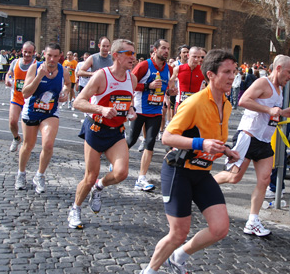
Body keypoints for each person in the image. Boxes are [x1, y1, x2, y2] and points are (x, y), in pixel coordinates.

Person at [135, 49, 240, 274]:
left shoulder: (225, 104)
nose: (232, 77)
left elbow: (211, 138)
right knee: (178, 232)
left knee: (220, 229)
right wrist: (201, 144)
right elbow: (167, 137)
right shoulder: (194, 102)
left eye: (234, 72)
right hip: (178, 172)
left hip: (202, 173)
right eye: (227, 72)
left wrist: (226, 150)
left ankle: (179, 257)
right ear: (211, 75)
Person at [214, 55, 290, 237]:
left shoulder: (279, 88)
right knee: (234, 177)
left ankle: (252, 221)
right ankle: (201, 185)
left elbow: (271, 112)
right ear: (278, 68)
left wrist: (284, 112)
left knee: (265, 180)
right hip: (248, 136)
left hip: (265, 140)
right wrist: (269, 110)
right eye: (289, 72)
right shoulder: (263, 82)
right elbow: (244, 100)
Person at [68, 39, 138, 229]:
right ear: (116, 55)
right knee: (90, 176)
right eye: (129, 53)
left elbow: (126, 101)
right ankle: (75, 208)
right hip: (96, 130)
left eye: (134, 53)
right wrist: (101, 109)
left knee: (122, 173)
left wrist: (131, 111)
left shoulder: (132, 79)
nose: (134, 57)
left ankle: (99, 187)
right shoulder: (101, 76)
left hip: (116, 132)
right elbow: (78, 102)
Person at [15, 42, 70, 193]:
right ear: (44, 54)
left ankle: (40, 175)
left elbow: (68, 84)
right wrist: (39, 76)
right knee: (28, 145)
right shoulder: (35, 67)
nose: (52, 59)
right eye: (49, 55)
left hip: (50, 112)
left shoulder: (63, 70)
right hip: (32, 110)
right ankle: (21, 173)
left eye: (55, 56)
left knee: (48, 144)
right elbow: (25, 93)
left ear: (60, 57)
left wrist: (65, 92)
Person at [127, 39, 175, 191]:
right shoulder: (144, 65)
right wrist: (148, 85)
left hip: (155, 111)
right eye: (163, 48)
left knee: (150, 143)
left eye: (168, 48)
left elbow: (165, 88)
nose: (166, 51)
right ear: (155, 49)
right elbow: (130, 83)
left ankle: (141, 178)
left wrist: (169, 92)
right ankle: (115, 160)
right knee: (131, 139)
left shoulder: (170, 69)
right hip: (140, 109)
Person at [5, 41, 36, 153]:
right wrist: (7, 79)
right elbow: (9, 73)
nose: (27, 54)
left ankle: (27, 146)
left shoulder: (36, 64)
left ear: (34, 53)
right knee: (12, 121)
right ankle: (16, 138)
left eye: (30, 52)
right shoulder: (15, 62)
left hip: (30, 100)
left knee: (28, 127)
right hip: (16, 97)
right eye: (25, 52)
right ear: (22, 51)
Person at [169, 46, 205, 113]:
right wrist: (168, 92)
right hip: (180, 104)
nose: (197, 59)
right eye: (194, 57)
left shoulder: (202, 70)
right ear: (188, 55)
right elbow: (170, 81)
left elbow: (211, 85)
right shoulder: (178, 69)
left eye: (199, 57)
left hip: (196, 105)